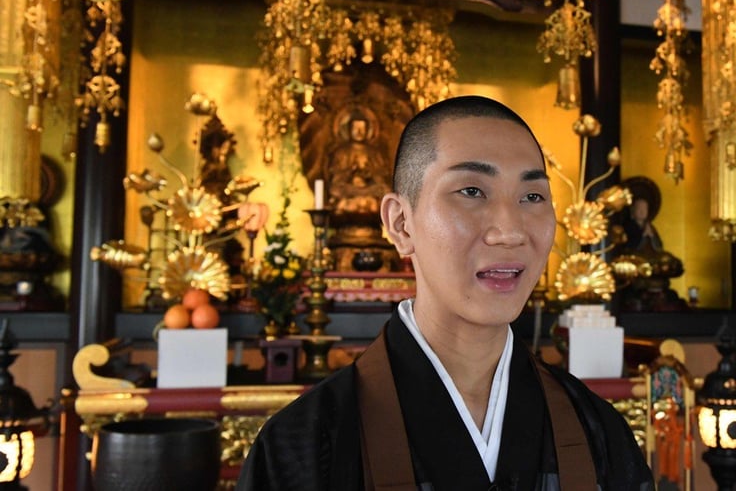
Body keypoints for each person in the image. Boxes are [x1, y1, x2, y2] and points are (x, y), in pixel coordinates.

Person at [237, 95, 654, 490]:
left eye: (532, 196)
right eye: (471, 191)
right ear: (401, 224)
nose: (509, 231)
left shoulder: (598, 432)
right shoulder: (302, 448)